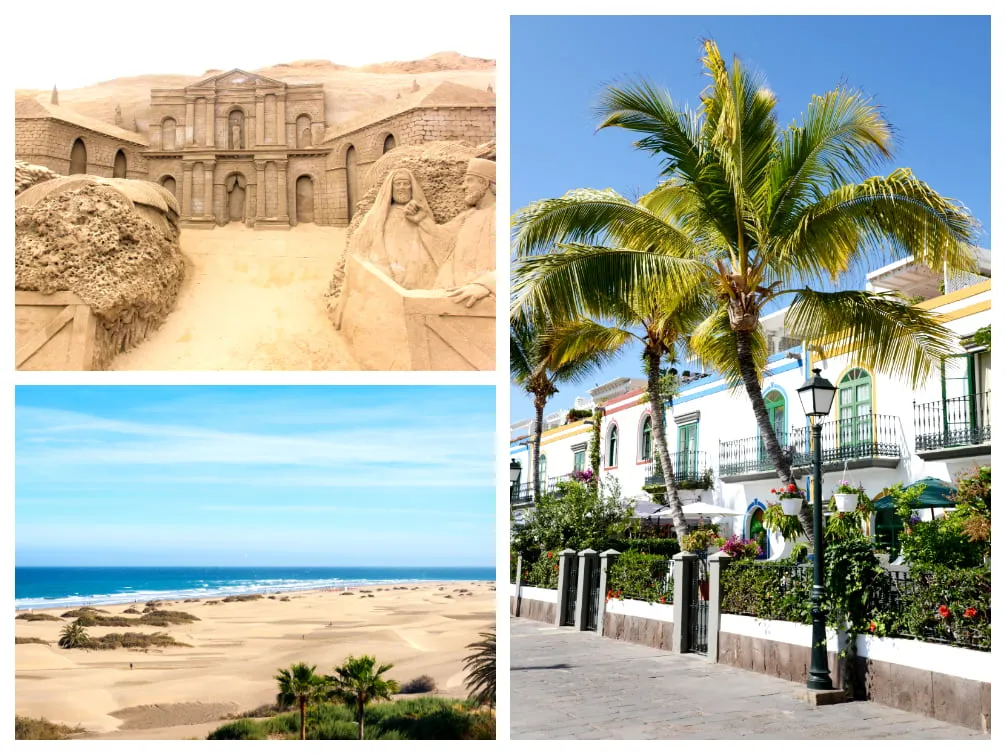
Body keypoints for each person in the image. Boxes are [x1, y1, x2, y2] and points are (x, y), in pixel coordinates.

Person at [404, 158, 495, 307]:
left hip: (480, 300)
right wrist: (421, 220)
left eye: (469, 180)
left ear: (485, 183)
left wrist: (486, 285)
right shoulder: (468, 216)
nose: (463, 186)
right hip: (452, 295)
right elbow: (442, 239)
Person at [349, 168, 438, 289]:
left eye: (406, 183)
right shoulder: (381, 214)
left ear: (412, 187)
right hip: (388, 267)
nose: (402, 187)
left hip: (414, 268)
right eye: (398, 184)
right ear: (391, 188)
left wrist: (419, 217)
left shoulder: (418, 212)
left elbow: (433, 236)